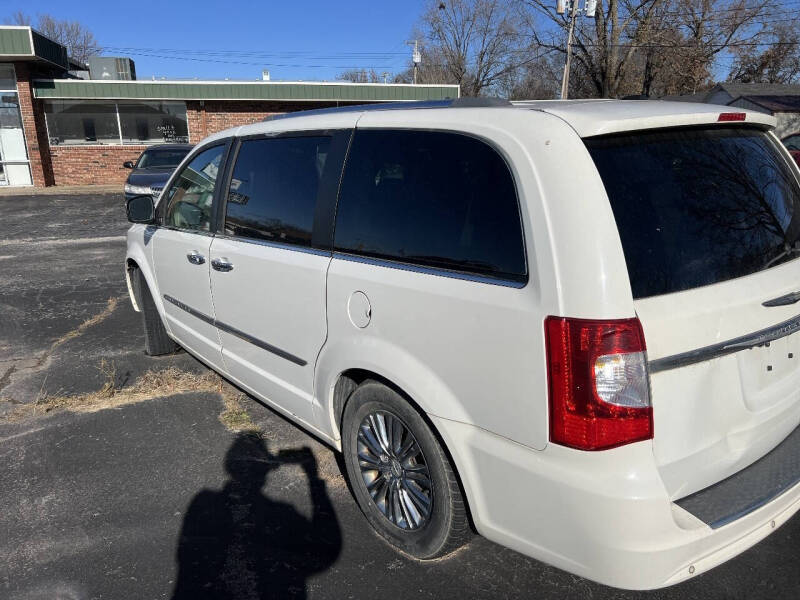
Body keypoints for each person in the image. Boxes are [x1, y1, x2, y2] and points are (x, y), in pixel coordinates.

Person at [171, 433, 342, 599]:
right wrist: (313, 477)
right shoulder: (282, 514)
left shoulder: (203, 502)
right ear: (266, 470)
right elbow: (325, 548)